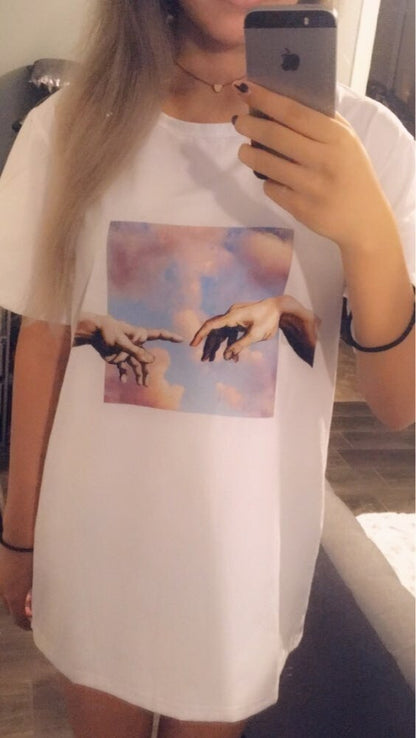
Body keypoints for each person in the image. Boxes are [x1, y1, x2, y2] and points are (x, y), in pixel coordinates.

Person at [0, 1, 414, 737]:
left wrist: (370, 236)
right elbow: (45, 342)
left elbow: (398, 404)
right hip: (94, 547)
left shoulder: (368, 142)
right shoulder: (66, 128)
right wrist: (18, 535)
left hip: (241, 568)